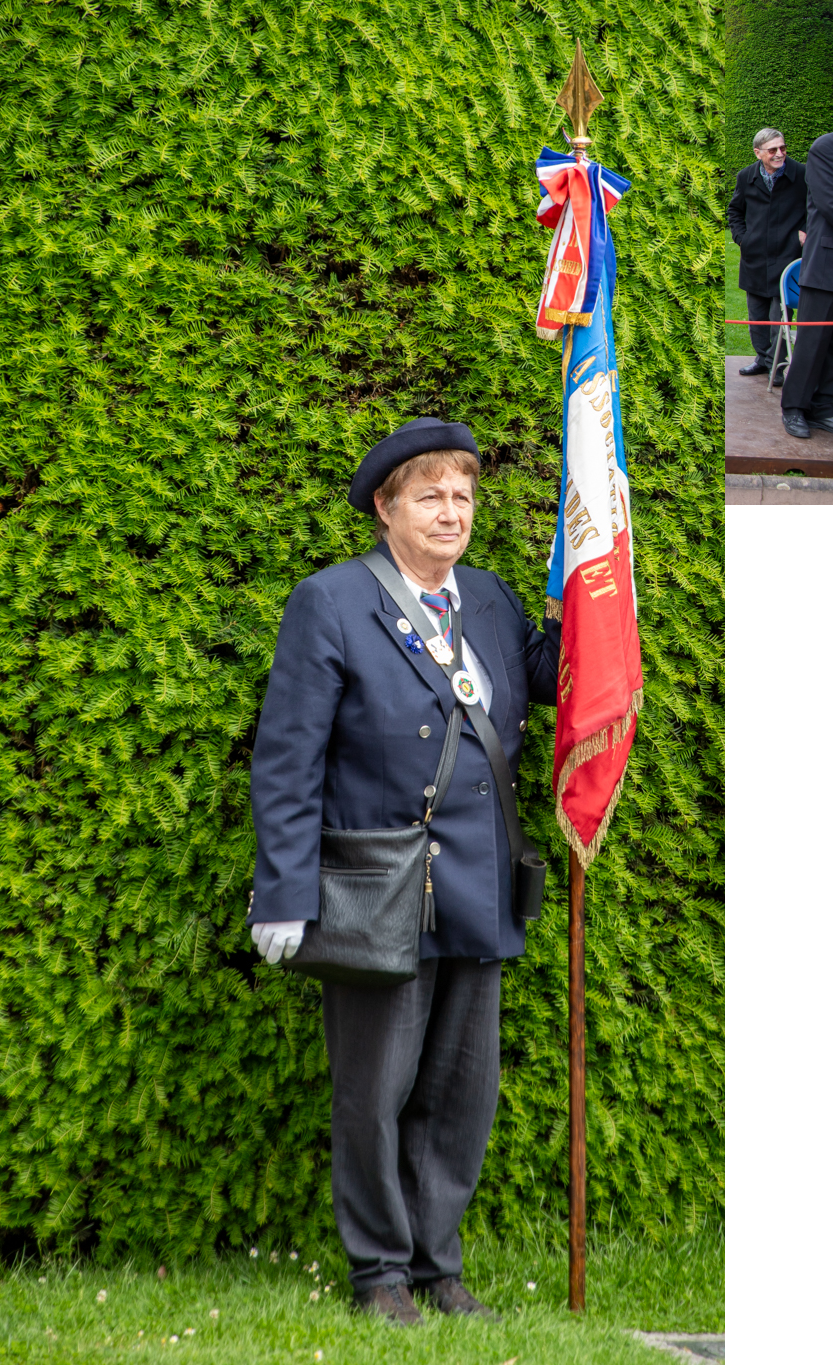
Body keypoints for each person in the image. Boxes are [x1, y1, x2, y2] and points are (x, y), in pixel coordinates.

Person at [246, 417, 561, 1325]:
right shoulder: (333, 601)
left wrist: (594, 582)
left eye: (463, 494)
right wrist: (285, 892)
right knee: (375, 1093)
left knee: (462, 1093)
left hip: (479, 881)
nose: (451, 511)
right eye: (430, 495)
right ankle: (379, 1272)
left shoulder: (493, 600)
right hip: (379, 888)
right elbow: (288, 758)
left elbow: (551, 675)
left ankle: (437, 1265)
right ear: (387, 509)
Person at [780, 90, 833, 439]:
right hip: (829, 264)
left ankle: (824, 406)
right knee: (813, 342)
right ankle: (795, 407)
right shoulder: (828, 147)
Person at [727, 127, 807, 386]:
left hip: (787, 256)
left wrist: (805, 231)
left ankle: (776, 366)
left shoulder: (802, 174)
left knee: (779, 318)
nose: (779, 154)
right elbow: (735, 211)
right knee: (757, 317)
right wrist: (742, 239)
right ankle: (762, 360)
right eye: (773, 150)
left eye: (782, 148)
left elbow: (815, 206)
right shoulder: (746, 176)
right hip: (755, 258)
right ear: (758, 152)